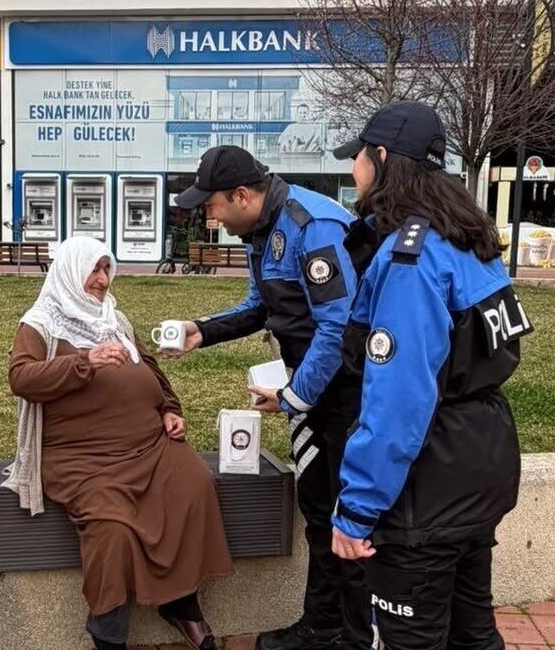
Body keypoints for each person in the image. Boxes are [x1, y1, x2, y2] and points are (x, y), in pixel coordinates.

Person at [329, 101, 532, 650]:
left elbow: (398, 401)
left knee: (409, 637)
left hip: (427, 484)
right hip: (480, 463)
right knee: (473, 632)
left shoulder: (411, 259)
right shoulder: (468, 237)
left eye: (357, 158)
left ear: (381, 157)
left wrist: (357, 508)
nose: (354, 170)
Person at [168, 145, 375, 650]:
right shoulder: (260, 231)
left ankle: (355, 635)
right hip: (311, 390)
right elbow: (261, 305)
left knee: (350, 516)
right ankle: (322, 624)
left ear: (241, 195)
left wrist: (293, 396)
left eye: (212, 205)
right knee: (318, 508)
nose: (210, 217)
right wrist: (203, 330)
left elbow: (337, 327)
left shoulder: (312, 225)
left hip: (348, 391)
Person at [6, 236, 233, 650]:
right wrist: (84, 361)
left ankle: (181, 603)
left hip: (150, 445)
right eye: (93, 270)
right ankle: (108, 629)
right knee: (112, 528)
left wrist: (170, 409)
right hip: (83, 458)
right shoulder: (40, 323)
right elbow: (21, 378)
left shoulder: (115, 319)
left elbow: (150, 368)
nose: (102, 279)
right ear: (70, 271)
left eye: (106, 269)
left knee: (194, 484)